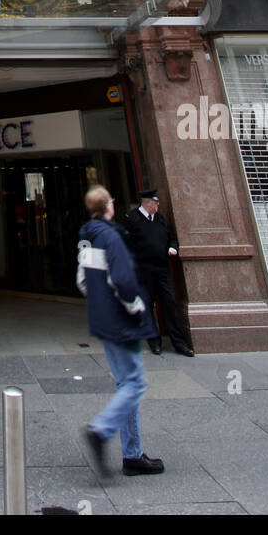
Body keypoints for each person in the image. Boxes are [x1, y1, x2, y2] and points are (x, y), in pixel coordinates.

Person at [78, 186, 163, 476]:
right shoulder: (111, 237)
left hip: (103, 319)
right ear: (108, 207)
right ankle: (101, 430)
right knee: (135, 383)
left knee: (125, 384)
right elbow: (123, 280)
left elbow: (83, 281)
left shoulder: (87, 237)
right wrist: (136, 306)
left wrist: (100, 303)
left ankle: (133, 454)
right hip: (121, 321)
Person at [122, 188, 194, 356]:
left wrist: (172, 247)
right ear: (147, 203)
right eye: (156, 203)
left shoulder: (160, 219)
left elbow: (172, 238)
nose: (158, 205)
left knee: (169, 304)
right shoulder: (131, 219)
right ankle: (154, 341)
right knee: (147, 306)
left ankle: (179, 343)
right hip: (143, 271)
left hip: (162, 269)